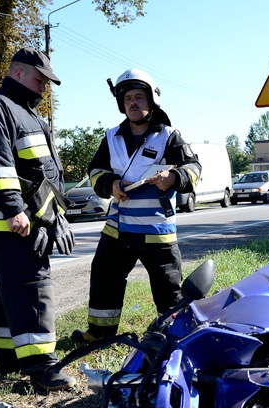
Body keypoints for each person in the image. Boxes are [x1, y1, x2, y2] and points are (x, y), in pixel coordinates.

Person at [0, 47, 76, 392]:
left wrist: (57, 216)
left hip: (28, 217)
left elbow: (40, 174)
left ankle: (11, 359)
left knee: (13, 286)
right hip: (9, 220)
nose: (44, 87)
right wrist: (13, 208)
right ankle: (42, 368)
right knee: (32, 284)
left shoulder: (27, 114)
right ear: (17, 73)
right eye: (40, 79)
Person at [70, 68, 201, 343]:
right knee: (104, 278)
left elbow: (194, 168)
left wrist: (173, 177)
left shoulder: (169, 135)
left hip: (157, 230)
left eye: (139, 96)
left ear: (151, 100)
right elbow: (95, 170)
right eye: (128, 97)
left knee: (168, 288)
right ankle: (100, 333)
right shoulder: (110, 137)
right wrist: (110, 184)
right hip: (117, 229)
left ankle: (176, 335)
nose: (133, 102)